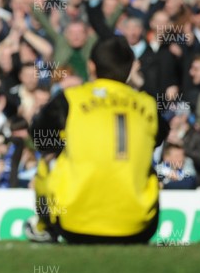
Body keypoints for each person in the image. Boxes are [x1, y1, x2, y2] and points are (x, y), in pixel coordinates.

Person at [27, 36, 168, 244]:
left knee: (47, 160)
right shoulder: (147, 105)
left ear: (91, 66)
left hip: (73, 224)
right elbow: (158, 138)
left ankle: (44, 227)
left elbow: (39, 137)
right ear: (130, 68)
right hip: (138, 227)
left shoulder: (71, 99)